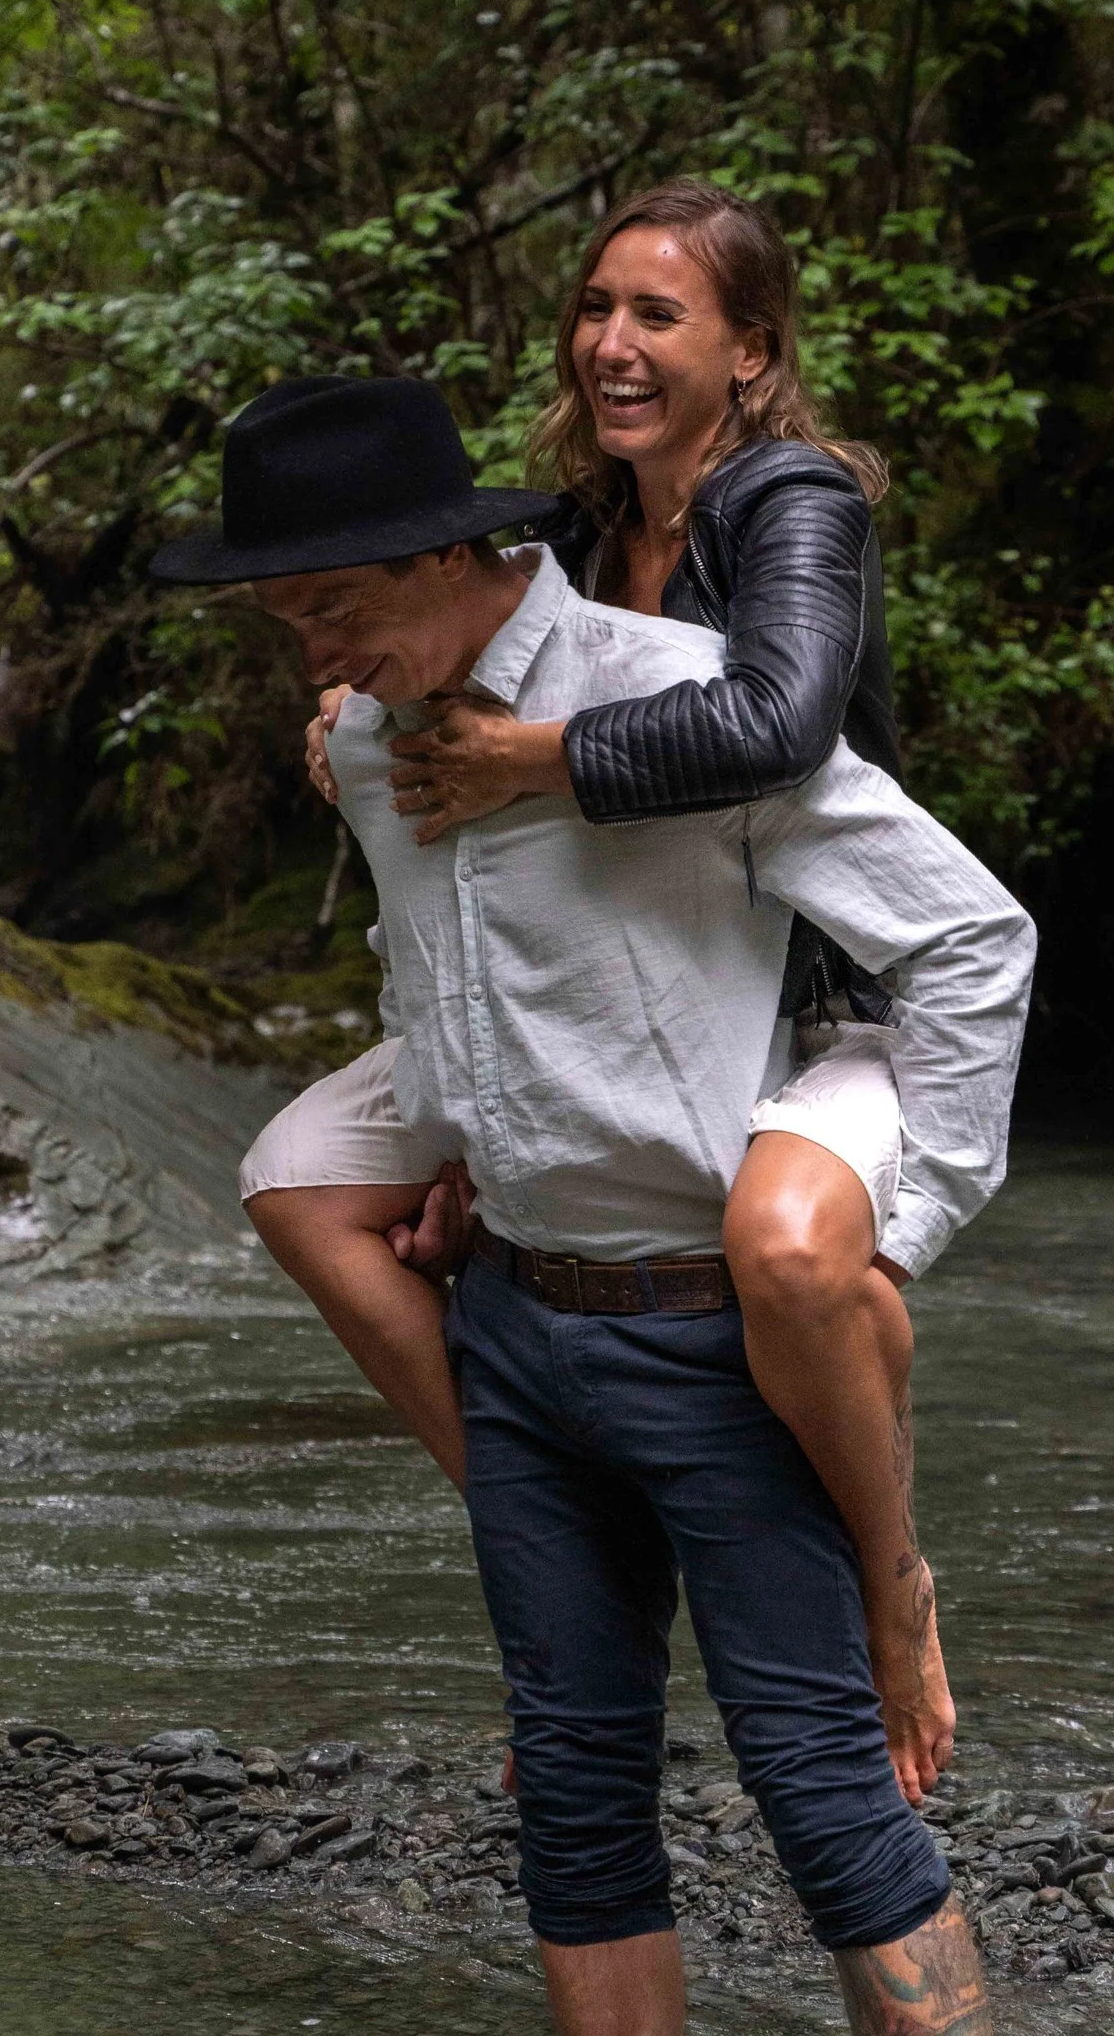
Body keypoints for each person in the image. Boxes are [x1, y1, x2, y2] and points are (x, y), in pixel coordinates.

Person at [150, 376, 1039, 2036]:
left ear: (455, 555)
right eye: (277, 621)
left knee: (824, 1797)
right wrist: (463, 1144)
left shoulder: (658, 701)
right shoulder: (372, 747)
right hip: (520, 1328)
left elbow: (969, 941)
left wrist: (888, 1237)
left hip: (709, 1335)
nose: (309, 651)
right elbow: (438, 983)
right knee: (569, 1775)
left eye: (330, 603)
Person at [240, 185, 949, 1797]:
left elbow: (770, 723)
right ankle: (558, 1551)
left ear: (751, 351)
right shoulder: (565, 530)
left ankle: (894, 1590)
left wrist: (526, 758)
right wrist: (359, 692)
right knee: (300, 1188)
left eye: (660, 314)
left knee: (788, 1256)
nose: (611, 343)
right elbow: (454, 658)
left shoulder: (797, 506)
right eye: (596, 308)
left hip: (803, 994)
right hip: (599, 991)